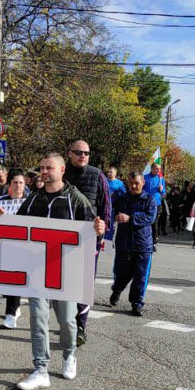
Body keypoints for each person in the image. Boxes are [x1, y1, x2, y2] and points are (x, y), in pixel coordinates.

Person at [0, 152, 104, 390]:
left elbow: (92, 231)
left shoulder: (76, 199)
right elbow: (17, 227)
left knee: (67, 321)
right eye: (42, 167)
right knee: (38, 318)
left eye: (49, 167)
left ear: (62, 171)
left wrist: (99, 229)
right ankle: (40, 369)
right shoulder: (33, 199)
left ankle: (69, 354)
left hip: (65, 272)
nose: (44, 171)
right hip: (37, 271)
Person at [64, 139, 111, 345]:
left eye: (86, 153)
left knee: (84, 283)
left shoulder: (98, 175)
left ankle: (80, 326)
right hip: (62, 238)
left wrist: (103, 233)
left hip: (89, 239)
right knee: (64, 282)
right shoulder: (61, 173)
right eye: (78, 152)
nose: (83, 155)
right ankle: (66, 321)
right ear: (70, 153)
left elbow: (106, 207)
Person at [109, 172, 158, 317]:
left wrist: (130, 218)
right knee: (120, 274)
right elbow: (109, 211)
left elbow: (150, 217)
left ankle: (137, 303)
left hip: (143, 245)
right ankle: (117, 290)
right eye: (131, 183)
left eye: (137, 183)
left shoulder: (149, 199)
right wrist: (114, 217)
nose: (134, 186)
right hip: (123, 243)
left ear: (143, 183)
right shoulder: (121, 199)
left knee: (141, 276)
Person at [0, 169, 28, 329]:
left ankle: (11, 313)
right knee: (9, 280)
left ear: (25, 185)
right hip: (5, 245)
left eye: (21, 183)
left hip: (25, 246)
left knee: (16, 278)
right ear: (9, 185)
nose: (18, 186)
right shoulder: (0, 202)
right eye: (15, 183)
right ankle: (14, 308)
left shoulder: (31, 202)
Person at [143, 163, 166, 245]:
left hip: (157, 203)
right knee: (145, 220)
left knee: (154, 221)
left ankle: (154, 240)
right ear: (152, 168)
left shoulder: (161, 179)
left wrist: (162, 189)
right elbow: (140, 189)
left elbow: (164, 193)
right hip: (146, 202)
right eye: (156, 168)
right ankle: (145, 238)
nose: (158, 170)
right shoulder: (145, 177)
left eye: (159, 169)